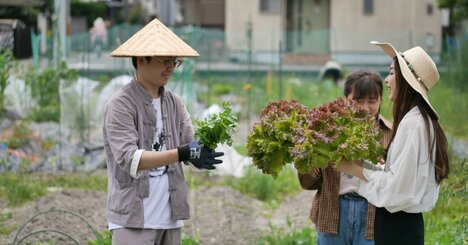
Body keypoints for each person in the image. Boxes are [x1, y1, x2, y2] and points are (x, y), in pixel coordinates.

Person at [103, 18, 224, 245]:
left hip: (170, 217)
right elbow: (130, 159)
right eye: (164, 61)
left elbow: (189, 143)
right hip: (133, 219)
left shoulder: (174, 103)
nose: (170, 67)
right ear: (141, 59)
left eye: (174, 61)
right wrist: (183, 153)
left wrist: (199, 155)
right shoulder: (121, 104)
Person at [338, 41, 449, 245]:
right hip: (399, 225)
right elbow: (398, 178)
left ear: (406, 80)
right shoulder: (415, 120)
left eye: (391, 72)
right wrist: (364, 166)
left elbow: (398, 190)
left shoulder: (414, 124)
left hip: (399, 229)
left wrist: (353, 169)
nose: (387, 80)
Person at [298, 69, 393, 244]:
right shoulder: (327, 131)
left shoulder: (390, 133)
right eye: (357, 100)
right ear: (345, 100)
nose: (365, 108)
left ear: (380, 101)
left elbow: (396, 182)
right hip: (333, 212)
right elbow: (308, 183)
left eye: (372, 101)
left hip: (373, 215)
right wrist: (304, 155)